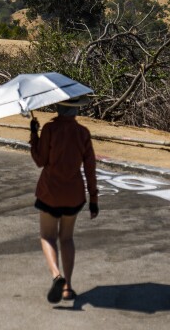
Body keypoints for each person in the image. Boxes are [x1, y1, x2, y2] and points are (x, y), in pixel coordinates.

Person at [29, 96, 99, 304]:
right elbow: (90, 168)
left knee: (47, 236)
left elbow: (40, 161)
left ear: (58, 108)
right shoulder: (83, 133)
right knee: (66, 238)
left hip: (50, 191)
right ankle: (68, 287)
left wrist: (34, 134)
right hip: (73, 193)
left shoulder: (50, 129)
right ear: (76, 111)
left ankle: (56, 275)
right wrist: (93, 198)